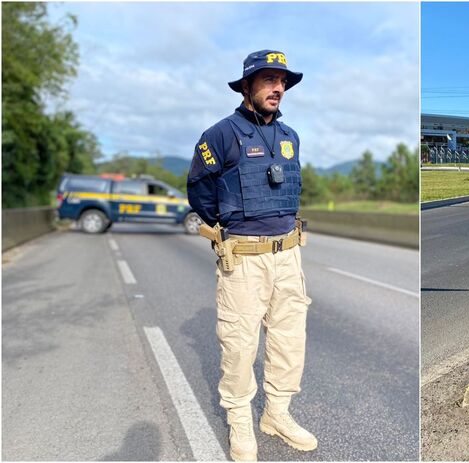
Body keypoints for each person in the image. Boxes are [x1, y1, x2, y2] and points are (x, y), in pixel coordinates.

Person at [187, 49, 316, 461]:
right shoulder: (220, 135)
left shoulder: (290, 136)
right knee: (240, 344)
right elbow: (199, 190)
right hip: (244, 257)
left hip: (288, 254)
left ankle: (276, 414)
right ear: (247, 86)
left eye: (282, 82)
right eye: (268, 80)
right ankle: (240, 421)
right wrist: (231, 226)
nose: (278, 88)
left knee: (289, 339)